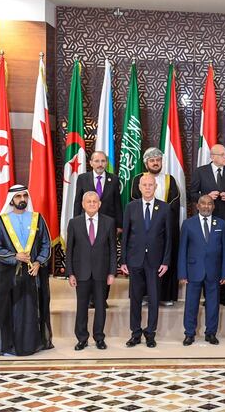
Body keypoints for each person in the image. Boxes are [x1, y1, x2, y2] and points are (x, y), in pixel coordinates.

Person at [0, 184, 53, 356]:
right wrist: (15, 256)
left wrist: (39, 262)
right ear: (11, 200)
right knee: (11, 309)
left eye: (25, 196)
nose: (22, 199)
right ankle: (10, 345)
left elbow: (46, 244)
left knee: (32, 309)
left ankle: (31, 345)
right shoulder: (2, 221)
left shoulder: (38, 219)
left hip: (33, 274)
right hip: (10, 275)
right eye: (18, 197)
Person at [121, 173, 172, 348]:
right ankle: (135, 333)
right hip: (135, 260)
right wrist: (123, 260)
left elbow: (168, 238)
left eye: (151, 185)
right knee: (135, 298)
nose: (148, 188)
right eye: (145, 185)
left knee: (154, 298)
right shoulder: (131, 207)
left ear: (156, 187)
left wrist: (165, 261)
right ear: (139, 187)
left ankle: (150, 333)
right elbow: (125, 235)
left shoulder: (164, 208)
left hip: (156, 262)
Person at [190, 144, 225, 306]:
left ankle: (224, 295)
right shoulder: (200, 171)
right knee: (209, 257)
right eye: (222, 155)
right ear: (213, 156)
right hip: (206, 221)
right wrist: (206, 196)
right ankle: (209, 296)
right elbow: (192, 194)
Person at [65, 191, 116, 351]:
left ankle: (99, 337)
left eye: (95, 201)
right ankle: (82, 338)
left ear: (99, 204)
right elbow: (70, 250)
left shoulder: (109, 222)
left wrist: (112, 272)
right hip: (81, 272)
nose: (92, 204)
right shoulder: (74, 223)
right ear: (83, 204)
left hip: (102, 272)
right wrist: (70, 273)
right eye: (89, 201)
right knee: (82, 306)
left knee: (100, 306)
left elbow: (113, 249)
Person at [132, 147, 181, 306]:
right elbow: (134, 202)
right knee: (144, 261)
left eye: (158, 160)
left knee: (164, 260)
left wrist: (160, 219)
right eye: (152, 160)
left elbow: (174, 204)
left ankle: (165, 296)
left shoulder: (170, 180)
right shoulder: (138, 179)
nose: (155, 163)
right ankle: (144, 295)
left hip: (165, 228)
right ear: (146, 163)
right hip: (143, 228)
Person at [178, 194, 225, 346]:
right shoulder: (188, 224)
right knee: (191, 304)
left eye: (209, 204)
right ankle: (189, 333)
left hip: (214, 271)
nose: (206, 206)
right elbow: (182, 250)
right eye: (203, 203)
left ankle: (211, 333)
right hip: (193, 270)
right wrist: (182, 273)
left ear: (213, 206)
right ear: (197, 206)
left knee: (213, 304)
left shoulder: (221, 224)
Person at [73, 150, 122, 309]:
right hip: (86, 225)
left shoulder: (113, 179)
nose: (100, 164)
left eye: (103, 161)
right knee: (86, 260)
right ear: (91, 163)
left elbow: (117, 204)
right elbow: (77, 202)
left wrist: (119, 225)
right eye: (97, 161)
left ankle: (101, 298)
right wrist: (76, 223)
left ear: (106, 163)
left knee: (104, 261)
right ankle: (87, 298)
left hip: (107, 227)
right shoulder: (82, 178)